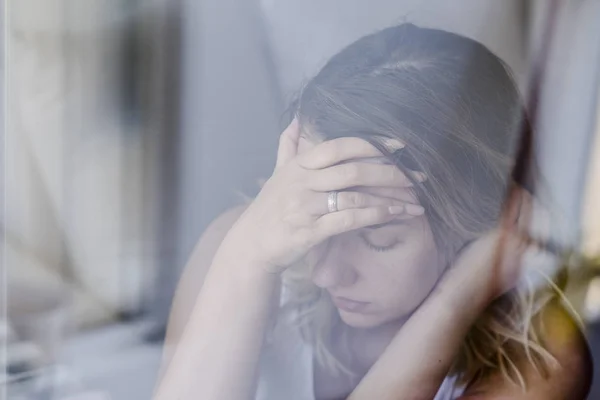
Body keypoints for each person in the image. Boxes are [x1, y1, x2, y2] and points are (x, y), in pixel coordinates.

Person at [155, 23, 592, 400]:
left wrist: (455, 300)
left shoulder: (540, 355)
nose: (328, 274)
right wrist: (246, 256)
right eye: (317, 223)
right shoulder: (241, 250)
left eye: (379, 239)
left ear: (477, 225)